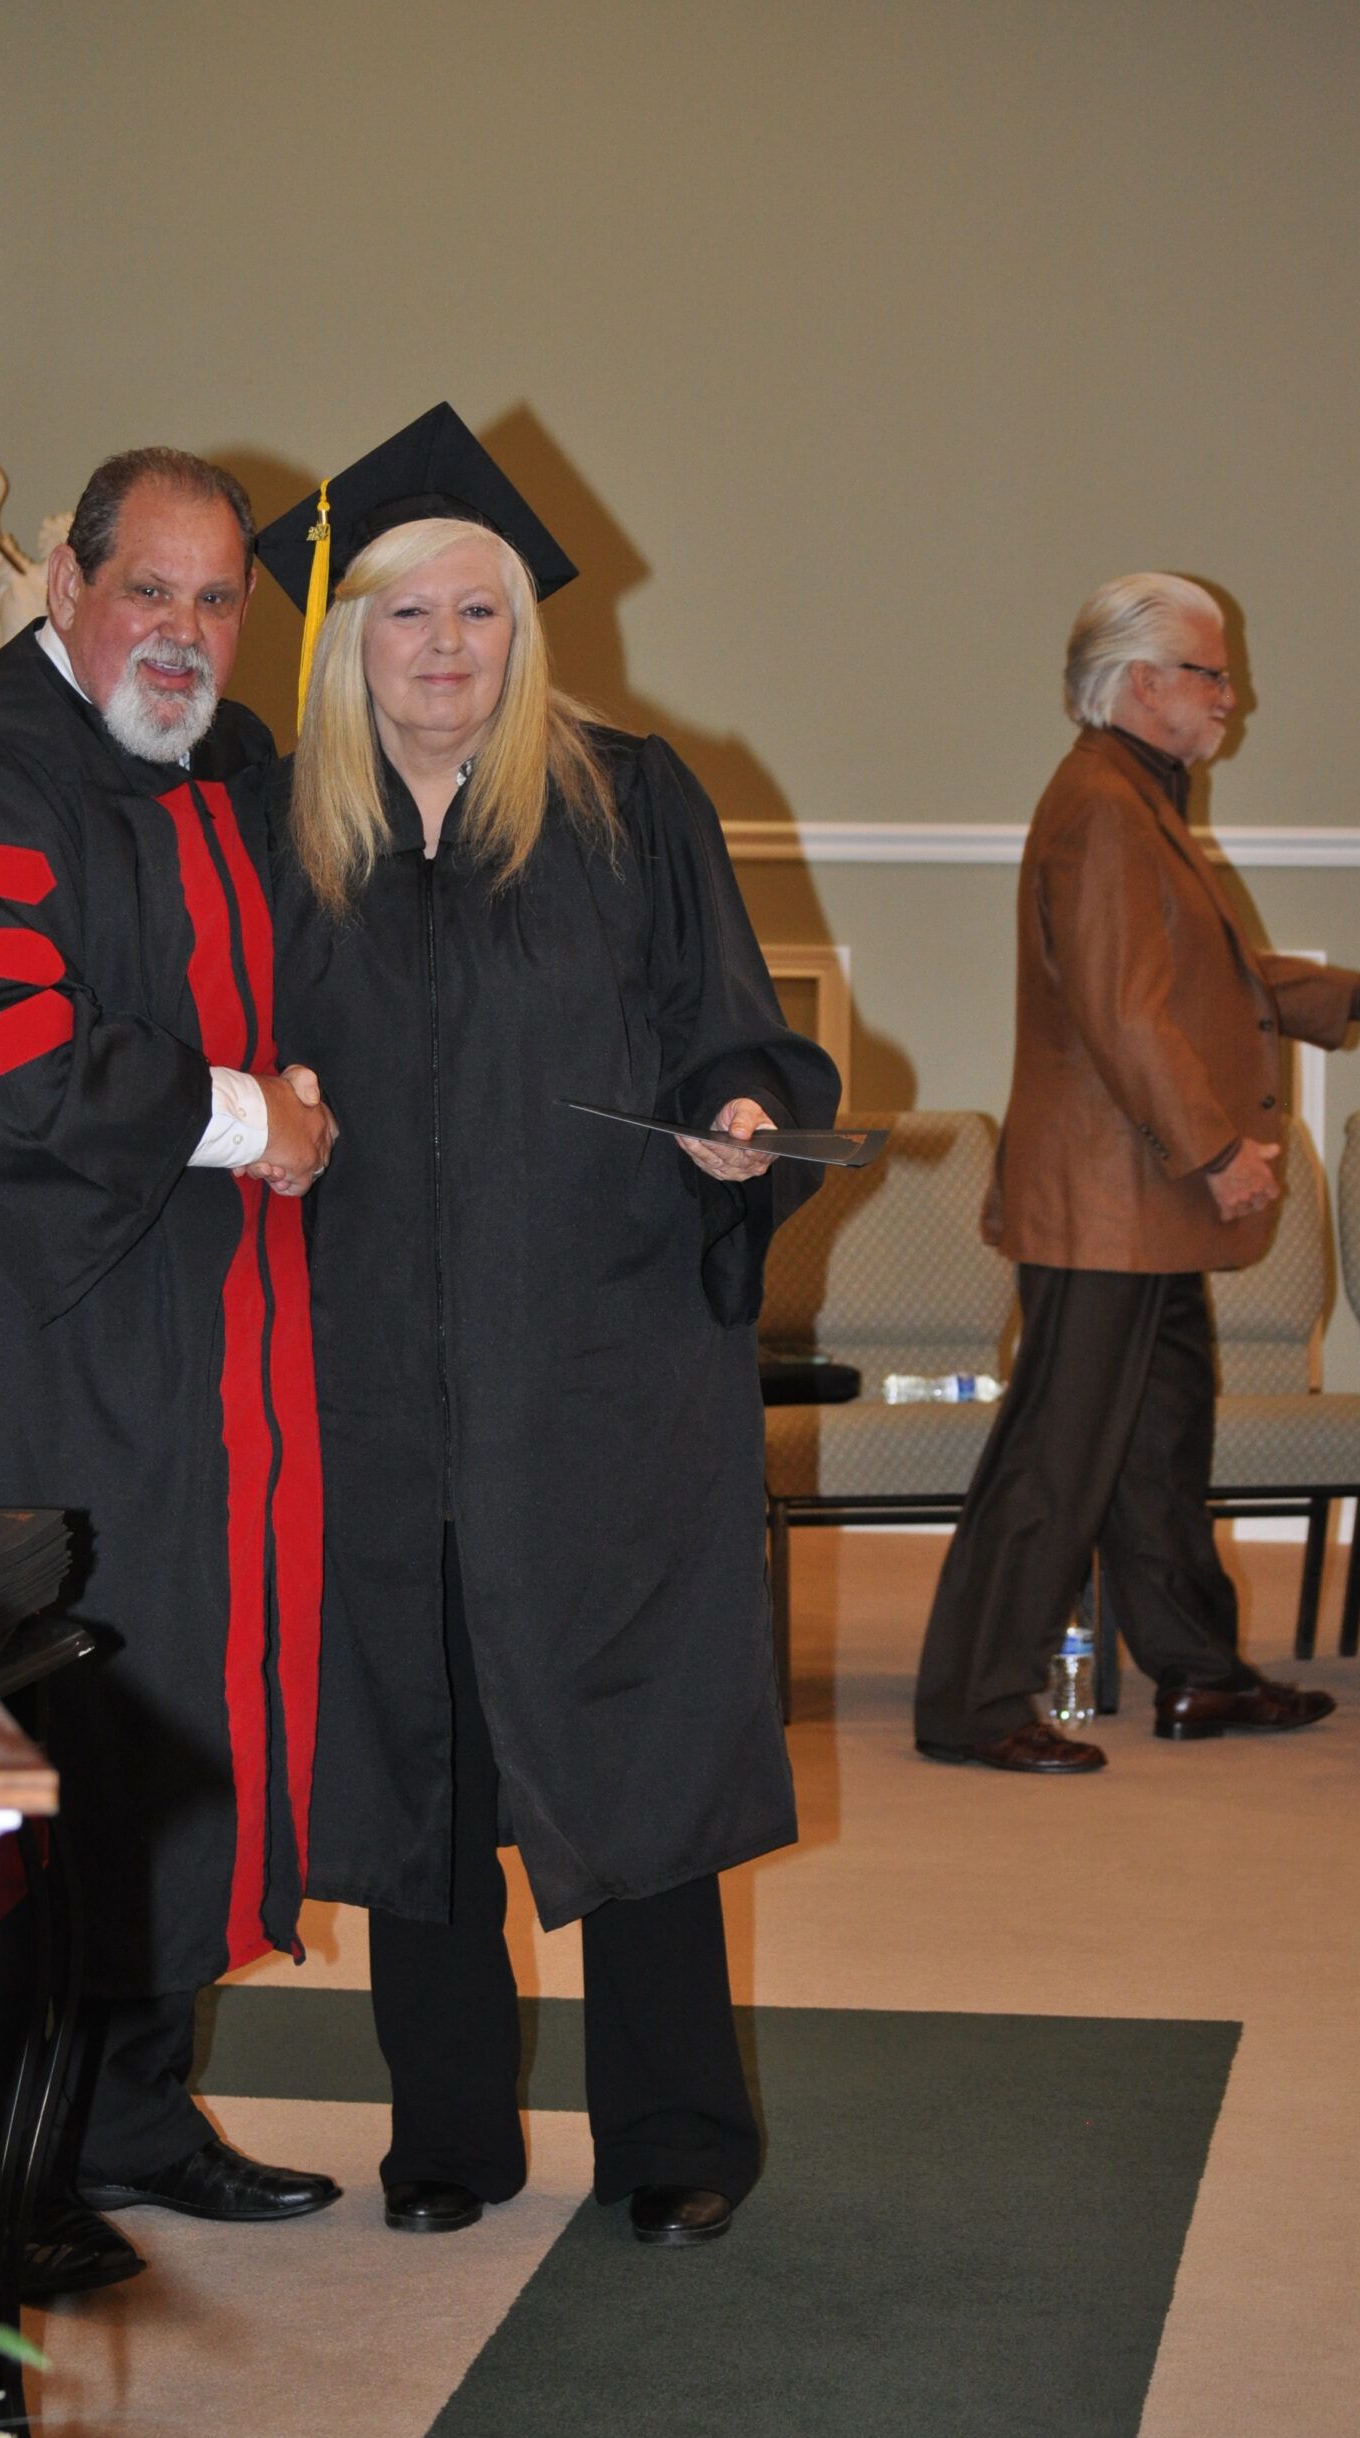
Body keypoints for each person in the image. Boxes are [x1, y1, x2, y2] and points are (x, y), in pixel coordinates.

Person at [250, 406, 841, 2247]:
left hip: (596, 1367)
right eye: (406, 615)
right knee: (421, 1753)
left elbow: (733, 1025)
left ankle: (676, 2140)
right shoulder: (282, 832)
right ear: (348, 643)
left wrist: (739, 1117)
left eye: (478, 614)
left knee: (628, 1746)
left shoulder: (629, 801)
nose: (443, 647)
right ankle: (449, 2135)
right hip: (366, 1374)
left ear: (525, 635)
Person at [0, 448, 341, 2299]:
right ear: (60, 575)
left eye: (217, 603)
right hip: (14, 1356)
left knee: (175, 1717)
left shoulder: (224, 773)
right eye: (150, 591)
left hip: (191, 1353)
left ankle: (130, 2116)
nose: (184, 636)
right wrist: (242, 1117)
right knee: (31, 1747)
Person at [913, 572, 1360, 1773]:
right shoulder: (1107, 808)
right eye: (1210, 672)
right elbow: (1124, 1012)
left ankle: (1197, 1674)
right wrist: (1219, 1150)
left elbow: (1200, 980)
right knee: (1055, 1453)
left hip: (1135, 1198)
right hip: (1109, 1201)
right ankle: (971, 1704)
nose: (1232, 696)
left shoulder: (1133, 798)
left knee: (1155, 1444)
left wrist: (1351, 997)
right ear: (1138, 684)